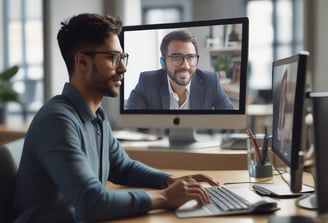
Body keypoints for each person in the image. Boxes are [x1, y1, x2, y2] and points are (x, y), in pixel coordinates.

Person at [13, 13, 219, 222]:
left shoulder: (97, 116)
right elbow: (91, 202)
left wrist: (169, 181)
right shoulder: (56, 120)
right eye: (113, 58)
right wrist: (166, 197)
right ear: (82, 61)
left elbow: (122, 167)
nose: (123, 68)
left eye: (122, 58)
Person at [125, 29, 234, 110]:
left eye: (191, 57)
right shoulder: (147, 81)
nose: (185, 66)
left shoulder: (210, 81)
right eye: (176, 57)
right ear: (163, 63)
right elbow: (130, 119)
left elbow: (231, 119)